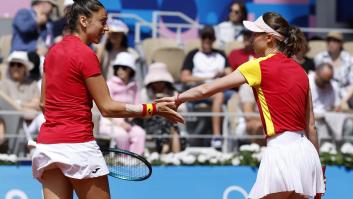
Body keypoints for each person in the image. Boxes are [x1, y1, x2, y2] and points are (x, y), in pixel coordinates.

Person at [158, 12, 325, 199]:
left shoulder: (257, 66)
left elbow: (207, 88)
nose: (250, 39)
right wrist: (317, 167)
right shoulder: (301, 71)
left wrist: (178, 98)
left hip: (281, 152)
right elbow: (311, 127)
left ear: (269, 38)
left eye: (255, 34)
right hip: (306, 154)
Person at [31, 1, 183, 199]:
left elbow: (44, 103)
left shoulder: (52, 52)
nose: (107, 27)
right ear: (84, 21)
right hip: (78, 146)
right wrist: (153, 108)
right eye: (102, 21)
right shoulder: (86, 55)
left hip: (49, 147)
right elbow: (108, 108)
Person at [181, 25, 231, 149]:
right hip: (197, 90)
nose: (207, 40)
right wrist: (206, 78)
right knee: (218, 96)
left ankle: (227, 138)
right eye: (205, 37)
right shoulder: (193, 54)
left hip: (217, 89)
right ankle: (216, 135)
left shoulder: (221, 54)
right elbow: (184, 77)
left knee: (235, 96)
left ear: (214, 39)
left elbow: (230, 73)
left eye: (210, 37)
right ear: (201, 38)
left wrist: (222, 73)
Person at [98, 52, 146, 155]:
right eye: (117, 67)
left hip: (128, 124)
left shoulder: (135, 86)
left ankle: (134, 160)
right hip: (108, 123)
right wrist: (120, 123)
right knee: (122, 135)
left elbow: (137, 106)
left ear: (130, 70)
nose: (120, 70)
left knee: (140, 133)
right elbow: (106, 108)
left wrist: (132, 117)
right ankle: (123, 161)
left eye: (124, 67)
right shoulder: (109, 84)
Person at [141, 62, 186, 154]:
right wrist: (155, 106)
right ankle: (174, 154)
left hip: (172, 123)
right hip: (151, 124)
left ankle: (166, 150)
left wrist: (168, 103)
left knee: (171, 123)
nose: (158, 84)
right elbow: (142, 113)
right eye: (156, 82)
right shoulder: (144, 93)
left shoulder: (173, 92)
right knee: (170, 124)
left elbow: (183, 109)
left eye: (161, 82)